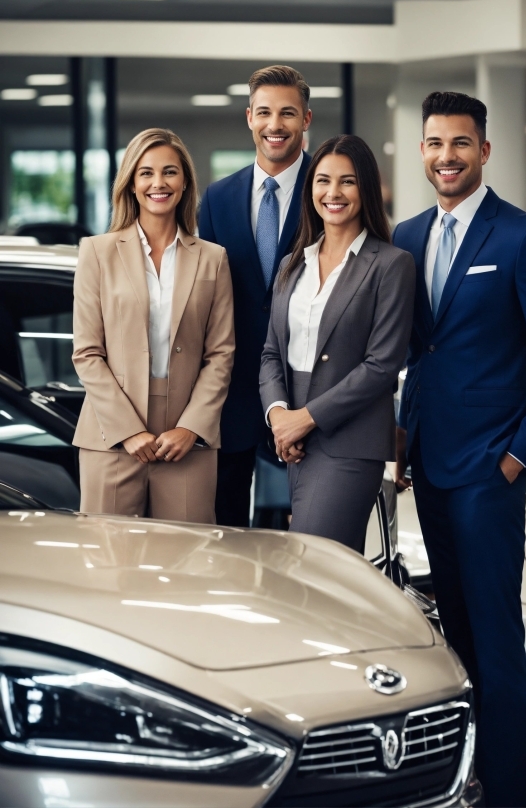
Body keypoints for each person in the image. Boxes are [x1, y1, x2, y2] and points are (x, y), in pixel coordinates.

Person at [392, 92, 526, 807]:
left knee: (500, 647)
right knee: (462, 642)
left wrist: (518, 456)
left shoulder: (524, 237)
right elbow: (420, 353)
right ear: (421, 152)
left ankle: (508, 793)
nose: (446, 156)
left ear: (484, 149)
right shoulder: (407, 236)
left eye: (460, 143)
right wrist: (400, 443)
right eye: (434, 143)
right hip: (428, 470)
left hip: (487, 472)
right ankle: (464, 784)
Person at [260, 135, 415, 552]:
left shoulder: (391, 264)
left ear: (365, 188)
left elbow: (382, 366)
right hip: (293, 444)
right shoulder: (294, 264)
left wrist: (305, 417)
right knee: (324, 579)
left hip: (350, 444)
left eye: (347, 182)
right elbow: (272, 353)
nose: (333, 193)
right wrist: (279, 417)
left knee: (312, 565)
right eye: (323, 181)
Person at [72, 128, 234, 522]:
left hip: (187, 440)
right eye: (146, 173)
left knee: (186, 564)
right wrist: (128, 430)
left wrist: (191, 428)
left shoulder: (213, 258)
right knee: (110, 566)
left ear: (185, 183)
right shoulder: (97, 252)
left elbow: (221, 354)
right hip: (111, 435)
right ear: (130, 183)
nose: (158, 183)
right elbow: (87, 353)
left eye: (169, 172)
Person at [199, 65, 312, 528]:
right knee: (225, 536)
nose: (275, 125)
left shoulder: (328, 192)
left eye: (288, 113)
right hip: (233, 396)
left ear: (306, 119)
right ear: (249, 117)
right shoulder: (218, 198)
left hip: (310, 396)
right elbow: (204, 297)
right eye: (264, 112)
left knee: (315, 543)